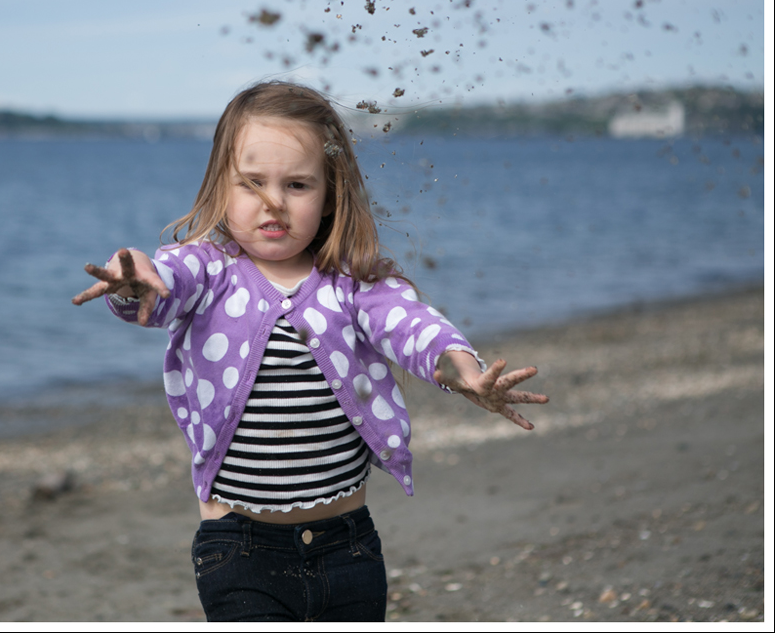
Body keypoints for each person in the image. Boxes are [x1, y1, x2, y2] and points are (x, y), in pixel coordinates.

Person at [72, 80, 546, 621]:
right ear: (220, 187)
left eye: (297, 184)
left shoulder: (353, 283)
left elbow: (414, 328)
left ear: (329, 195)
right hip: (239, 548)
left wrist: (464, 373)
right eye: (251, 184)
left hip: (347, 548)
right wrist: (133, 278)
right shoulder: (207, 270)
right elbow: (161, 283)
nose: (272, 202)